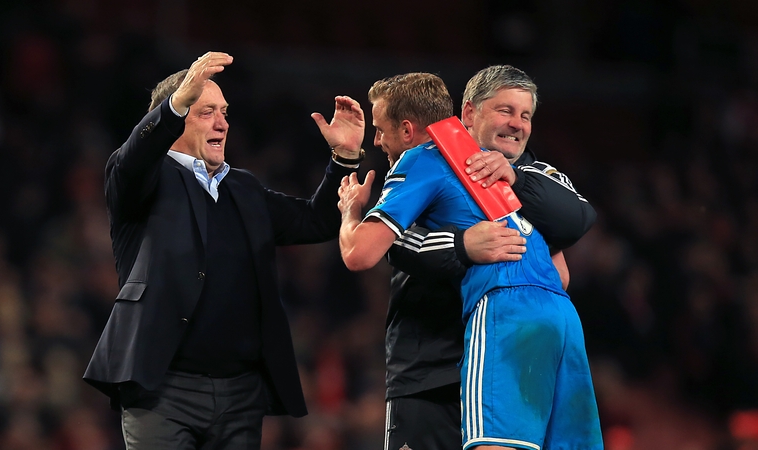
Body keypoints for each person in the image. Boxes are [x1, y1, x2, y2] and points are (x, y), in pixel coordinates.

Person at [82, 51, 365, 450]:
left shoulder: (244, 188)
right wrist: (176, 102)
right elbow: (133, 160)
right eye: (206, 111)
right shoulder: (143, 179)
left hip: (239, 394)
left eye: (225, 112)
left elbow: (316, 221)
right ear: (175, 115)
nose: (222, 123)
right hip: (163, 391)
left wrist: (343, 158)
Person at [337, 71, 602, 449]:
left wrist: (350, 212)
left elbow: (362, 251)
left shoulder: (436, 161)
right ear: (469, 113)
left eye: (525, 115)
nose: (517, 123)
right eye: (506, 110)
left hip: (481, 339)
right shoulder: (525, 189)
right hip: (530, 334)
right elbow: (560, 274)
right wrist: (462, 244)